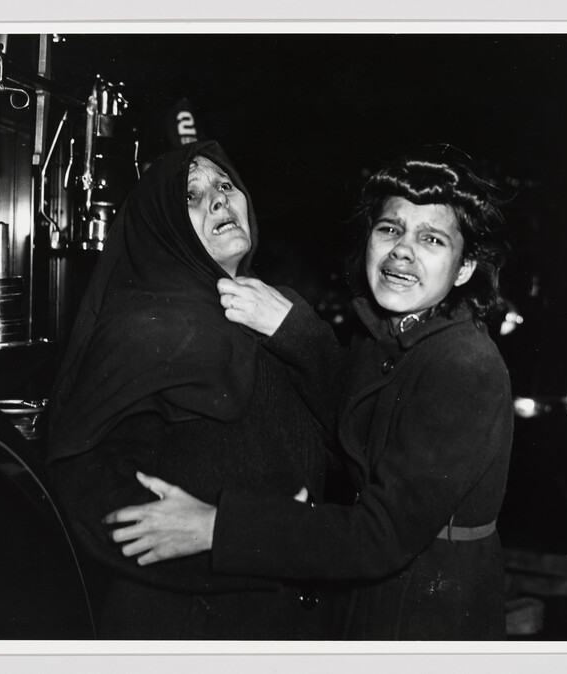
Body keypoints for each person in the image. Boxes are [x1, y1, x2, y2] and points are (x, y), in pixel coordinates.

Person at [103, 148, 514, 640]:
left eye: (431, 239)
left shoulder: (462, 363)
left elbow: (380, 536)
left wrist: (216, 527)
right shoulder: (392, 334)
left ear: (465, 268)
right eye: (390, 229)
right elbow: (354, 425)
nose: (402, 251)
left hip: (424, 614)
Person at [45, 140, 337, 639]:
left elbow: (356, 435)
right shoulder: (142, 330)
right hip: (189, 628)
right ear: (164, 228)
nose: (219, 199)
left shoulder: (279, 310)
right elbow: (86, 491)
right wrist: (237, 541)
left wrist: (298, 332)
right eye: (191, 196)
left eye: (225, 184)